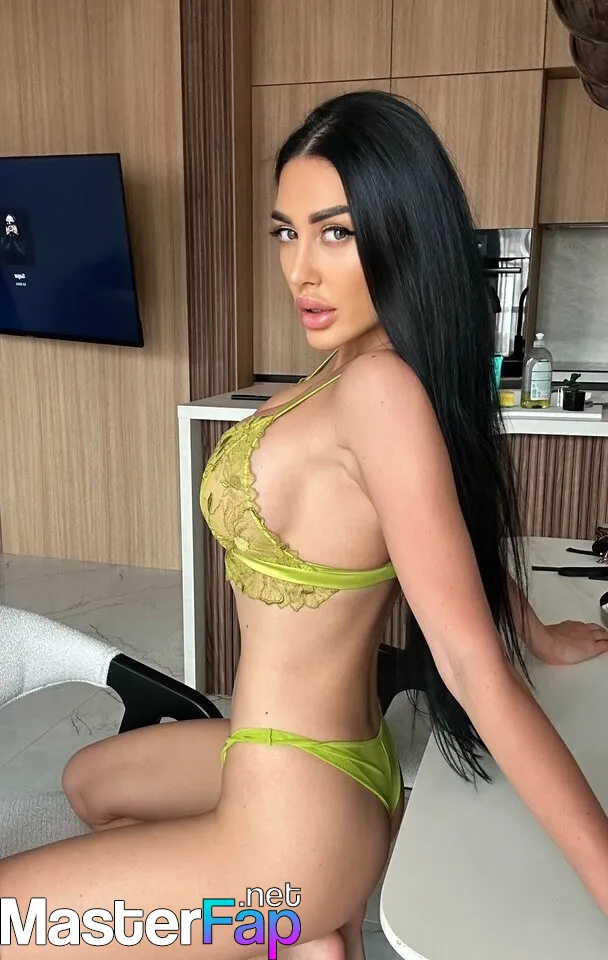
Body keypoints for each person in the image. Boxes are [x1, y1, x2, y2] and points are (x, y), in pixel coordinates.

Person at [2, 89, 608, 959]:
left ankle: (287, 916)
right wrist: (540, 632)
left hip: (295, 821)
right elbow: (448, 533)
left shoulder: (380, 392)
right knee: (90, 781)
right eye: (286, 232)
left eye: (336, 233)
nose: (300, 270)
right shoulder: (351, 367)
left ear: (404, 234)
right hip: (297, 750)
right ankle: (299, 934)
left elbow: (472, 668)